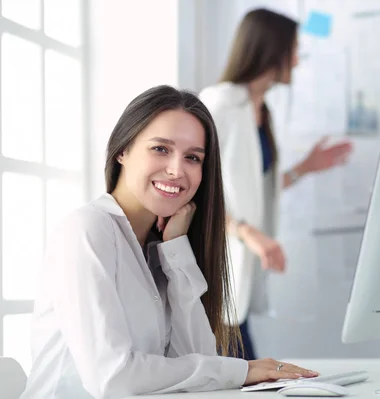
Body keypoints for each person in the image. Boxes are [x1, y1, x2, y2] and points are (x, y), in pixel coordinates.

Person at [20, 85, 318, 399]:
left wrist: (176, 252)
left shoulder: (158, 249)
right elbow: (113, 379)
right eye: (161, 149)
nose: (177, 170)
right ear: (123, 150)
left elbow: (197, 360)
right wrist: (240, 371)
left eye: (192, 157)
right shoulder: (88, 230)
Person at [199, 8, 353, 360]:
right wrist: (248, 232)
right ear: (271, 49)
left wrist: (306, 168)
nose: (297, 61)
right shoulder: (220, 103)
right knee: (241, 368)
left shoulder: (261, 110)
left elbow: (251, 189)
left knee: (245, 363)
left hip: (241, 276)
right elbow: (195, 194)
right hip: (215, 268)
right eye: (294, 49)